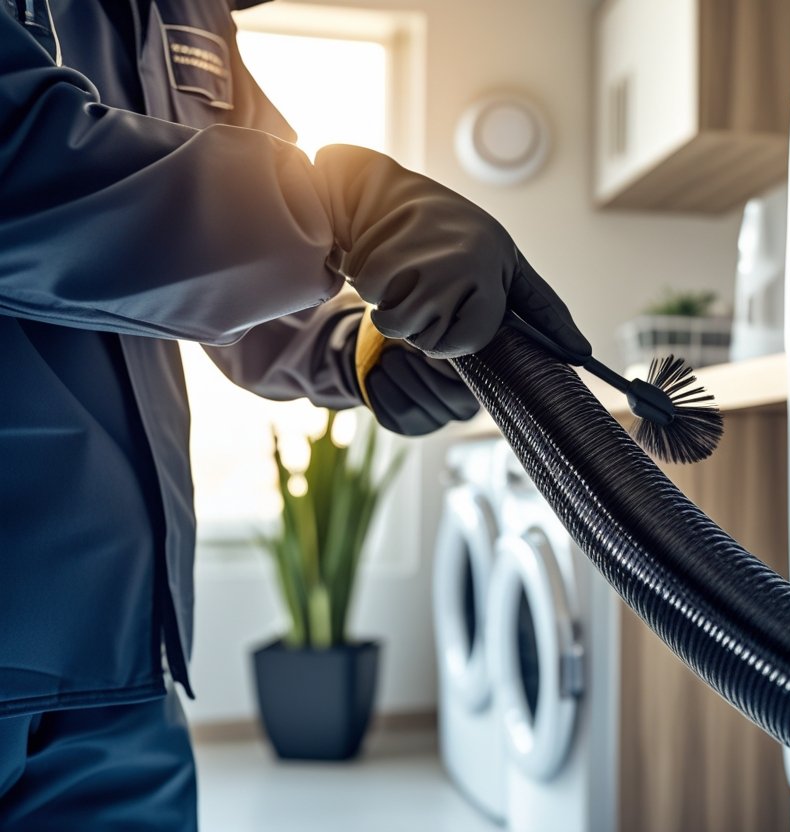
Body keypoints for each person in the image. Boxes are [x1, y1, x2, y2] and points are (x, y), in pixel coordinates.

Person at [0, 1, 590, 828]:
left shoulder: (187, 16)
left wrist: (364, 349)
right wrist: (337, 207)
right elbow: (19, 171)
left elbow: (231, 267)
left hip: (129, 649)